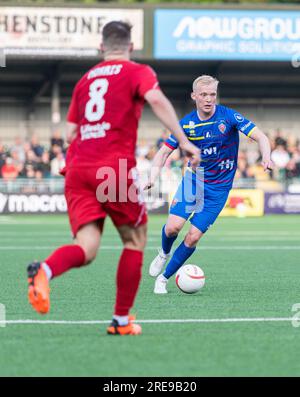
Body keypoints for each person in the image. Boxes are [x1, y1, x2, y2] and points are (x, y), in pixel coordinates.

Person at [26, 21, 200, 335]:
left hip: (77, 169)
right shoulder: (137, 71)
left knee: (86, 247)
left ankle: (46, 271)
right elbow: (157, 100)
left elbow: (69, 134)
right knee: (134, 240)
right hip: (112, 169)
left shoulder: (84, 80)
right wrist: (184, 142)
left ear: (100, 47)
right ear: (131, 47)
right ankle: (121, 321)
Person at [145, 75, 273, 294]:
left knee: (193, 236)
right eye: (203, 95)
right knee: (173, 227)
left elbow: (260, 136)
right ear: (194, 96)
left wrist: (266, 156)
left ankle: (164, 279)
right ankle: (164, 253)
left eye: (212, 94)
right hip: (195, 181)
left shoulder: (229, 117)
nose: (208, 99)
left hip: (219, 190)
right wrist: (151, 177)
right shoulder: (186, 124)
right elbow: (164, 152)